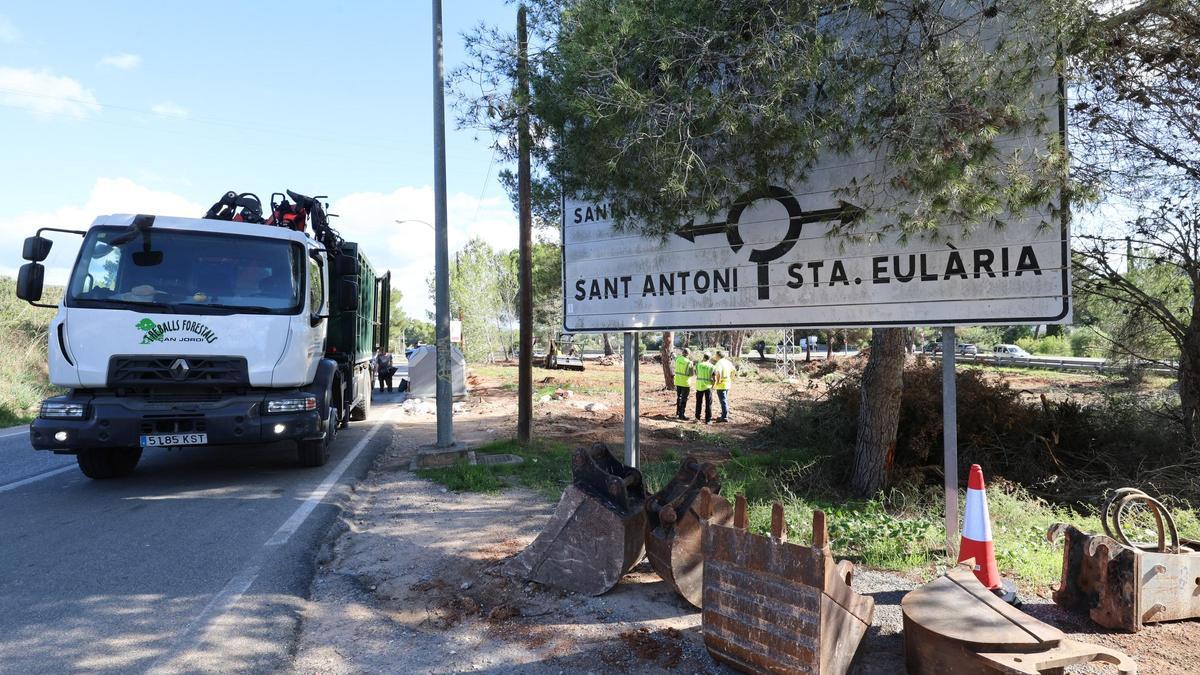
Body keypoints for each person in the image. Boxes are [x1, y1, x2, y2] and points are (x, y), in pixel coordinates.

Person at [713, 349, 735, 422]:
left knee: (723, 400)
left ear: (718, 356)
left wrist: (718, 381)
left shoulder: (719, 363)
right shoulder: (728, 362)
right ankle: (724, 414)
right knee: (724, 400)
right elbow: (734, 370)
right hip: (728, 383)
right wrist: (731, 378)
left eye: (716, 355)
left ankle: (724, 416)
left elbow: (718, 373)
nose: (715, 356)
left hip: (721, 385)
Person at [672, 347, 695, 420]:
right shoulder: (689, 362)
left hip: (678, 381)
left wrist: (672, 353)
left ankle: (678, 413)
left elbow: (674, 357)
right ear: (688, 354)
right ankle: (682, 415)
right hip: (685, 383)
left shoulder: (678, 359)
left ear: (682, 353)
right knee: (684, 399)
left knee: (679, 397)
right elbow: (692, 374)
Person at [694, 353, 714, 424]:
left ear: (703, 357)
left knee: (698, 402)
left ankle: (697, 418)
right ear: (709, 358)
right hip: (708, 386)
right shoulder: (712, 366)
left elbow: (696, 373)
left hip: (699, 386)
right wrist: (713, 385)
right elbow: (713, 377)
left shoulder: (698, 365)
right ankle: (708, 420)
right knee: (708, 403)